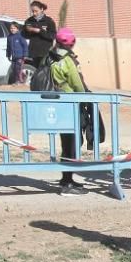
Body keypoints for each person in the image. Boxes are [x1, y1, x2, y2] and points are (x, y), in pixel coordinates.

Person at [48, 28, 89, 196]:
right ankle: (66, 184)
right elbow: (77, 84)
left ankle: (67, 179)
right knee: (73, 142)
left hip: (56, 104)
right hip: (70, 103)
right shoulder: (67, 60)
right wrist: (87, 97)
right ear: (72, 43)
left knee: (67, 142)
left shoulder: (49, 57)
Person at [21, 0, 57, 70]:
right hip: (33, 52)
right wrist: (27, 31)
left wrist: (40, 31)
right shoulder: (29, 21)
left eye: (36, 11)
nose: (34, 13)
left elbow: (53, 35)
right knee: (35, 72)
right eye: (33, 11)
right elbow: (24, 35)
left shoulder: (49, 21)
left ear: (42, 9)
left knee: (44, 72)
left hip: (45, 52)